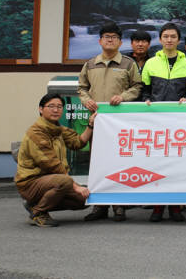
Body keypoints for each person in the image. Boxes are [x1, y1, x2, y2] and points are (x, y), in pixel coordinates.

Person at [78, 21, 142, 222]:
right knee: (97, 163)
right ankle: (99, 206)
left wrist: (123, 96)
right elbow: (81, 87)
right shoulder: (90, 64)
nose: (110, 40)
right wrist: (87, 100)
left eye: (114, 37)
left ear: (120, 41)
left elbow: (137, 87)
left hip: (119, 123)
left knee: (120, 162)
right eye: (107, 37)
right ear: (100, 41)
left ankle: (119, 205)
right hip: (97, 121)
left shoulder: (128, 63)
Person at [142, 22, 186, 222]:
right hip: (156, 121)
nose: (169, 40)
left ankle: (175, 207)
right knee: (157, 164)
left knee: (176, 165)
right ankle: (157, 207)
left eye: (173, 36)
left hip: (179, 122)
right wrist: (145, 100)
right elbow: (145, 91)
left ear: (179, 40)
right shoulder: (150, 63)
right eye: (166, 36)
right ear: (160, 39)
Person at [15, 93, 95, 227]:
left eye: (59, 106)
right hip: (31, 182)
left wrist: (90, 125)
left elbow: (78, 142)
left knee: (83, 199)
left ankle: (36, 205)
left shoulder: (57, 129)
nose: (56, 110)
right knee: (64, 182)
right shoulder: (36, 132)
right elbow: (51, 164)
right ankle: (38, 213)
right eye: (51, 106)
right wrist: (75, 186)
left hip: (51, 180)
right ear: (41, 109)